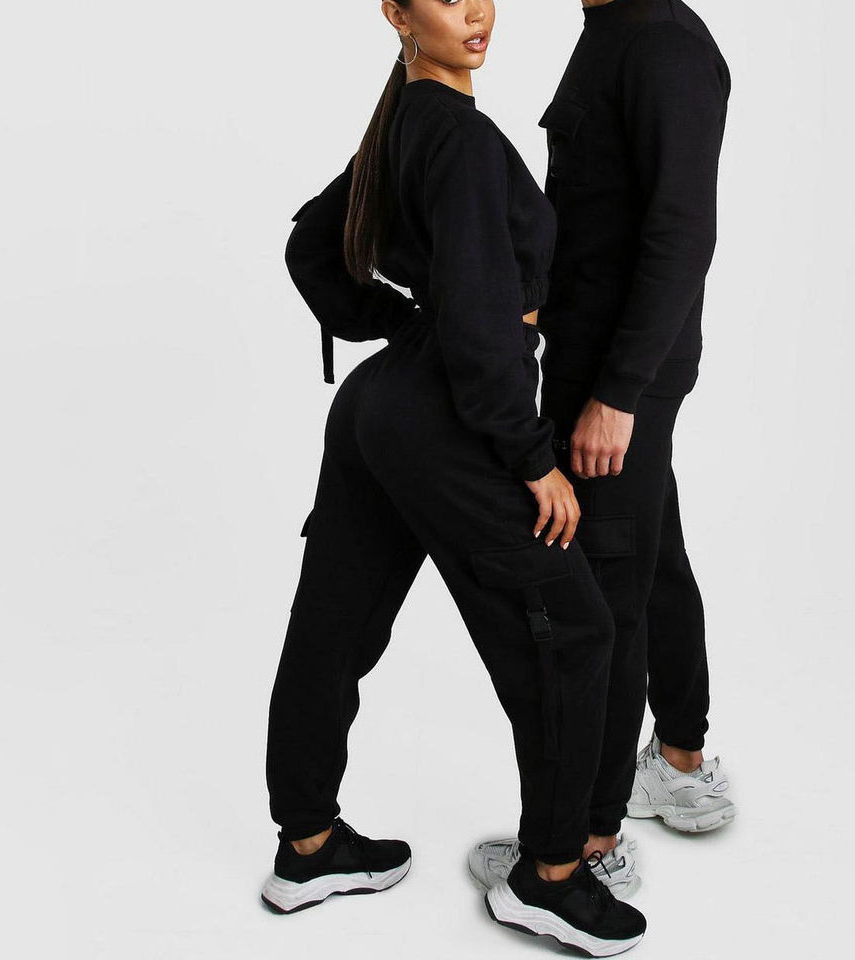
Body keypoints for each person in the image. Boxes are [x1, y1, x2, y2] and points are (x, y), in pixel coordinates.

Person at [262, 1, 646, 954]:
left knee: (335, 622)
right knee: (579, 630)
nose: (474, 10)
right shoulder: (461, 139)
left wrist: (403, 331)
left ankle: (306, 845)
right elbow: (478, 323)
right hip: (448, 420)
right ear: (396, 13)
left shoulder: (401, 123)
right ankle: (550, 878)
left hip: (380, 410)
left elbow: (312, 247)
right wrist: (532, 458)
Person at [470, 0, 736, 891]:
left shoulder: (662, 44)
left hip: (615, 383)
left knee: (602, 600)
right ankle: (681, 760)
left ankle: (588, 843)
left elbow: (683, 231)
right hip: (595, 368)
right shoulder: (613, 29)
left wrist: (617, 395)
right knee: (650, 560)